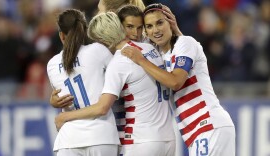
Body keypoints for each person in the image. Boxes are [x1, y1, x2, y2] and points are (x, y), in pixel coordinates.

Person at [54, 12, 176, 156]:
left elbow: (102, 107)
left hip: (140, 140)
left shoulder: (119, 63)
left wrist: (65, 116)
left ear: (102, 40)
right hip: (168, 138)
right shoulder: (150, 49)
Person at [121, 3, 235, 156]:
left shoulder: (186, 43)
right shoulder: (159, 55)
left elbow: (176, 82)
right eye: (149, 26)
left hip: (208, 125)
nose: (155, 30)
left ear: (171, 22)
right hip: (197, 132)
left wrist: (141, 60)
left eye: (160, 23)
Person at [46, 9, 119, 156]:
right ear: (85, 31)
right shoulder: (99, 51)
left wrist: (53, 102)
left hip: (69, 139)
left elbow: (61, 97)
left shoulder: (52, 64)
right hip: (101, 134)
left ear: (61, 35)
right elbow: (120, 77)